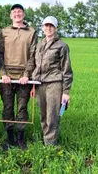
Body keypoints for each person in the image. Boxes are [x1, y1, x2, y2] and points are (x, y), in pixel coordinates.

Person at [0, 4, 38, 150]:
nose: (17, 14)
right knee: (8, 108)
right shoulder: (4, 32)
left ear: (24, 14)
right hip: (7, 77)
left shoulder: (31, 32)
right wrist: (3, 74)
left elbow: (33, 55)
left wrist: (27, 75)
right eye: (14, 12)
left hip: (23, 78)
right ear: (10, 15)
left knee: (22, 108)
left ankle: (20, 137)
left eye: (19, 11)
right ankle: (10, 138)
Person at [30, 16, 73, 146]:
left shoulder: (62, 46)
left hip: (54, 84)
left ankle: (50, 145)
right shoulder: (39, 45)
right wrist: (32, 86)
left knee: (52, 115)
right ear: (42, 27)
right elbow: (35, 66)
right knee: (43, 115)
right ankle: (46, 139)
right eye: (46, 25)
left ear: (56, 28)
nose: (48, 28)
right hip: (39, 85)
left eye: (51, 26)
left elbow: (67, 70)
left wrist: (66, 92)